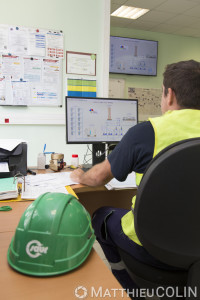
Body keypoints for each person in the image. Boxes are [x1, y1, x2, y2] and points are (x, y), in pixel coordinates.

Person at [70, 60, 200, 294]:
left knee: (101, 215)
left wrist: (80, 173)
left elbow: (98, 178)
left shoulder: (146, 132)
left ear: (169, 95)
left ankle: (129, 288)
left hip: (151, 247)